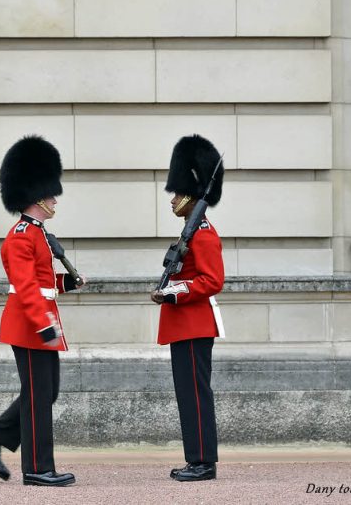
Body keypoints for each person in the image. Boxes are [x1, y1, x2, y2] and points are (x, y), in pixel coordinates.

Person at [0, 135, 85, 487]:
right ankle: (37, 468)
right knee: (39, 396)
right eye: (50, 194)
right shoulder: (21, 235)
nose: (55, 198)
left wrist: (68, 283)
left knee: (45, 394)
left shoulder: (37, 233)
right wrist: (44, 325)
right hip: (31, 325)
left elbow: (43, 281)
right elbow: (25, 287)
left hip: (40, 321)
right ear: (36, 196)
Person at [151, 134, 225, 482]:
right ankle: (196, 458)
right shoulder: (188, 233)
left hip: (195, 323)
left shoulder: (204, 233)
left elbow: (212, 281)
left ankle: (203, 462)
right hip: (185, 324)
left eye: (178, 193)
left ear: (192, 195)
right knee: (188, 395)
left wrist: (173, 292)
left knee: (195, 395)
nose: (173, 200)